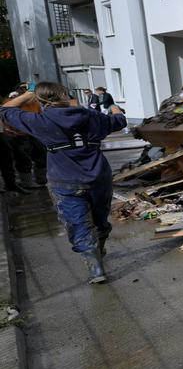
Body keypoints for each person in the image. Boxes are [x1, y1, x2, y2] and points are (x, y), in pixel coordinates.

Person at [0, 82, 126, 283]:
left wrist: (30, 94)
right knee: (100, 220)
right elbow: (119, 121)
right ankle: (98, 248)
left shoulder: (40, 121)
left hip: (65, 181)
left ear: (41, 101)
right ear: (65, 96)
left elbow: (5, 110)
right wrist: (114, 108)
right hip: (99, 178)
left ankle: (95, 268)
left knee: (78, 223)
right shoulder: (91, 116)